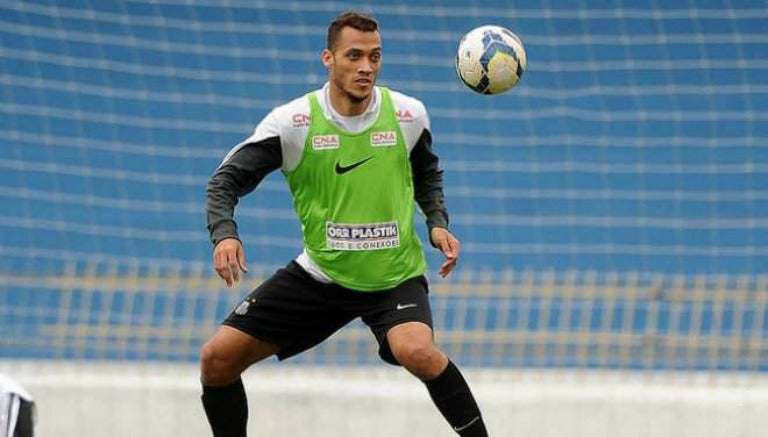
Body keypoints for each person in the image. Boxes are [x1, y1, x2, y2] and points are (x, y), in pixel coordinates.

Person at [200, 11, 487, 437]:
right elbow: (225, 181)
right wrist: (225, 234)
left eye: (375, 56)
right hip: (321, 275)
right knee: (217, 360)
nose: (366, 67)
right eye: (354, 56)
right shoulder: (293, 123)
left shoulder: (409, 115)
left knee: (418, 351)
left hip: (393, 277)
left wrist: (437, 222)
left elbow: (427, 173)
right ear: (328, 59)